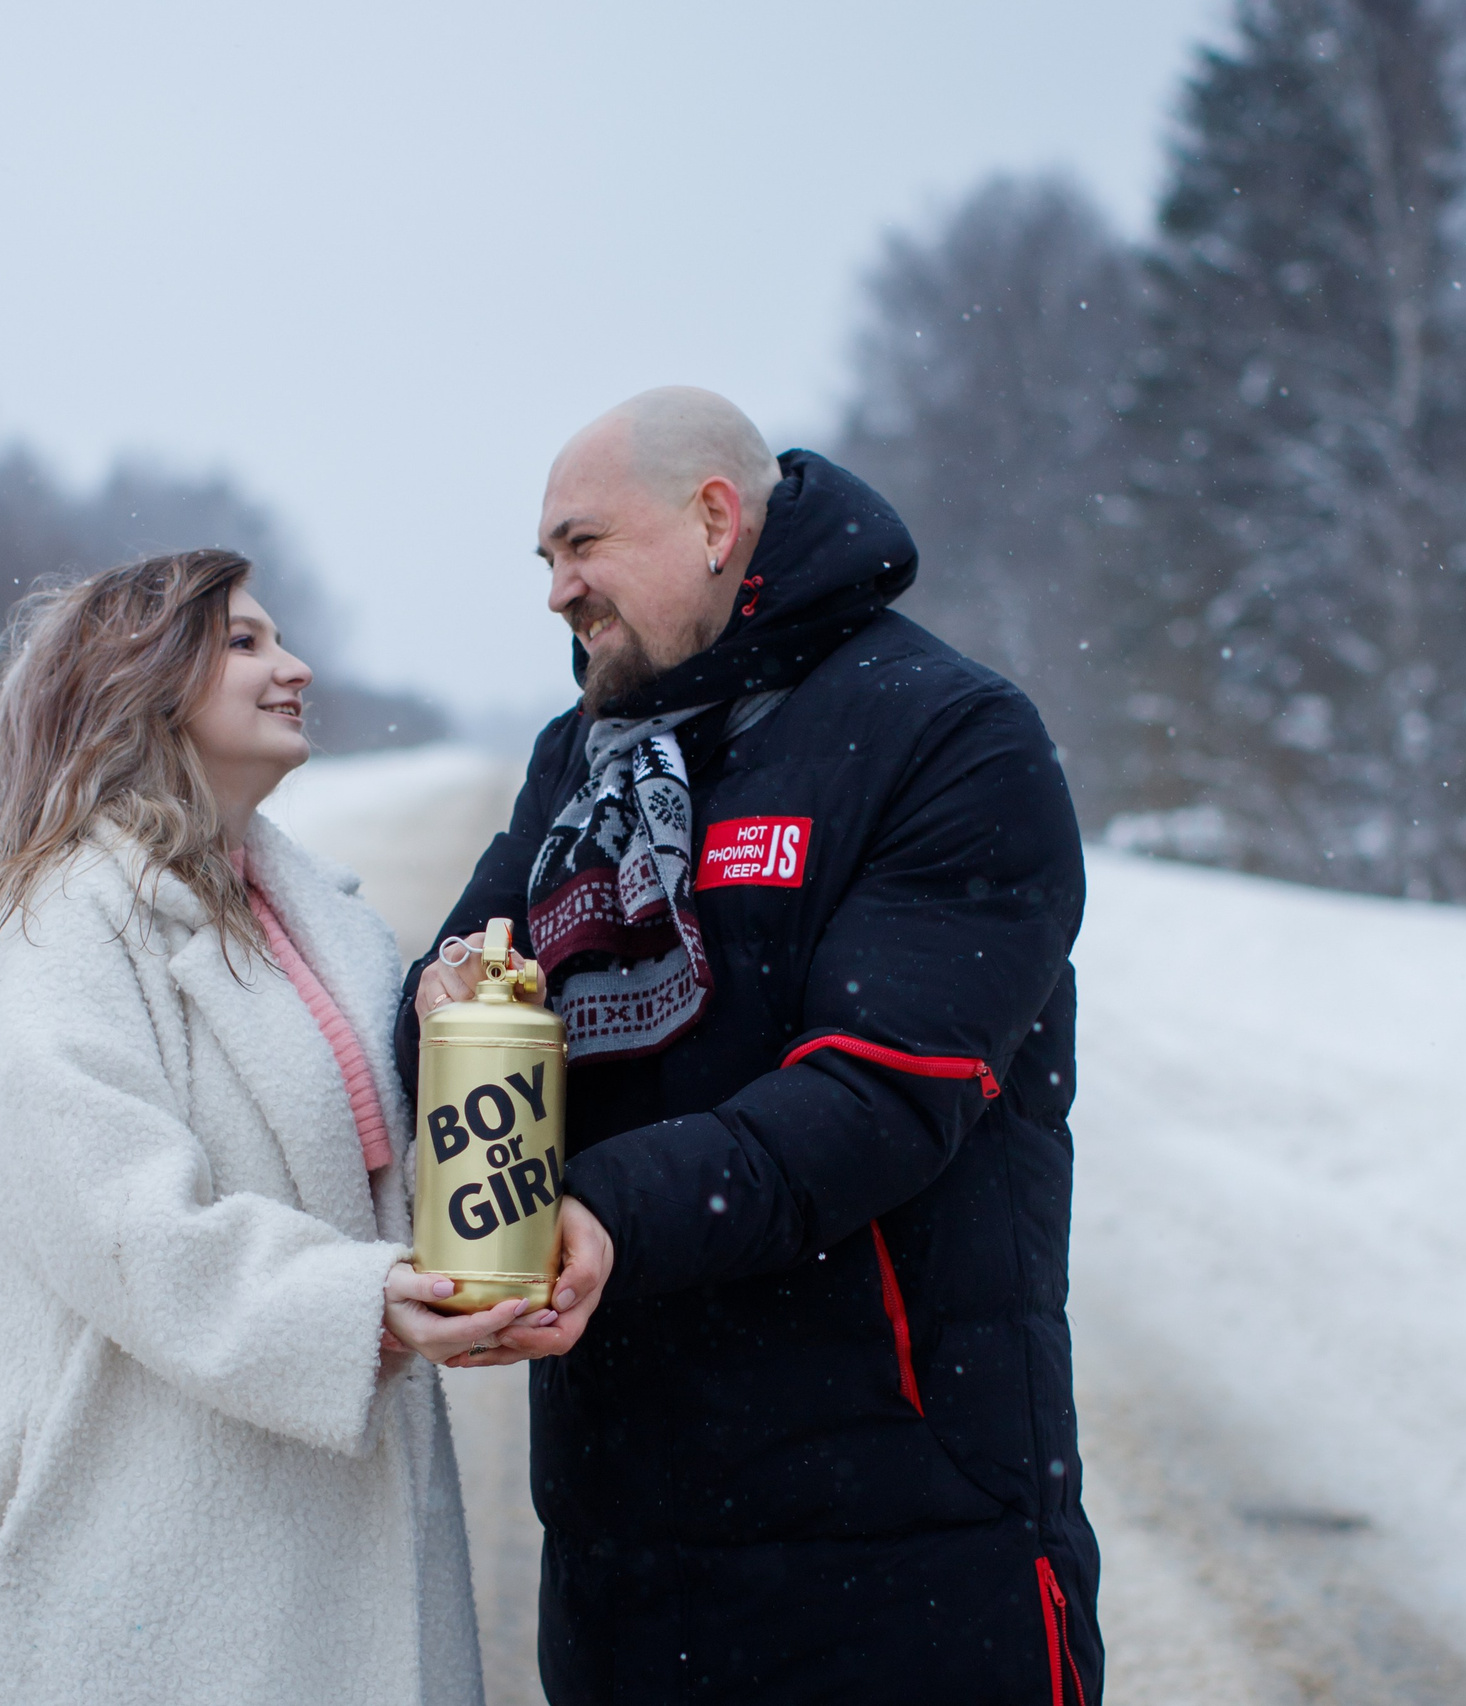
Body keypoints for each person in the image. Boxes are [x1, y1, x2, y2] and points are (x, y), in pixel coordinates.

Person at [400, 390, 1103, 1703]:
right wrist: (442, 1007)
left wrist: (604, 1208)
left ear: (716, 519)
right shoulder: (583, 761)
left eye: (580, 543)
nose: (557, 589)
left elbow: (880, 1092)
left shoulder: (946, 734)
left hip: (903, 1547)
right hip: (623, 1554)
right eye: (544, 560)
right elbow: (450, 991)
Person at [0, 549, 522, 1706]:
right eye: (243, 641)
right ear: (140, 678)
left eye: (277, 637)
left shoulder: (319, 921)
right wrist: (355, 1306)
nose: (291, 667)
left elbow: (362, 1173)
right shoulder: (58, 925)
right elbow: (120, 1219)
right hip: (136, 1551)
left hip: (322, 1529)